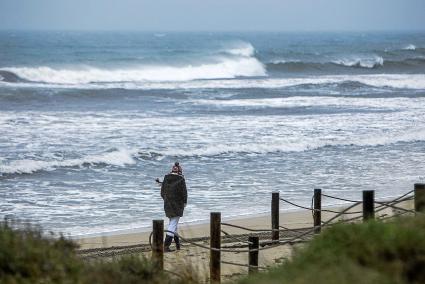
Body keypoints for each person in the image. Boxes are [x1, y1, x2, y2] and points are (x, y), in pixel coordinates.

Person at [160, 162, 187, 252]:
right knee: (173, 224)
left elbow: (162, 193)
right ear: (179, 171)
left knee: (173, 223)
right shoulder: (181, 179)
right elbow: (184, 193)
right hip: (177, 205)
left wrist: (167, 200)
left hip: (167, 204)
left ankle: (177, 245)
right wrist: (184, 203)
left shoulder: (166, 178)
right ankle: (166, 246)